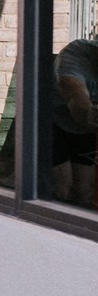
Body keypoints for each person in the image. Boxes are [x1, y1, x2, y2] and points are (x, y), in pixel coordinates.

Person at [52, 36, 98, 204]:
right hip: (53, 121)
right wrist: (91, 115)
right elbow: (76, 99)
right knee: (62, 187)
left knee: (84, 191)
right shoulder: (76, 54)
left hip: (85, 131)